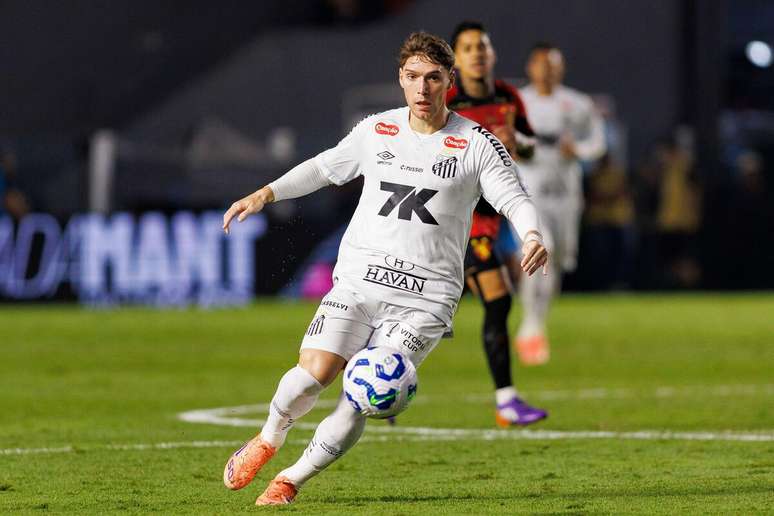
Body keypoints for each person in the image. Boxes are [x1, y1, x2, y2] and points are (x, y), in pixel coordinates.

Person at [220, 32, 548, 506]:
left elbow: (515, 198)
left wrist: (533, 235)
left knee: (366, 389)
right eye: (413, 77)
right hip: (359, 280)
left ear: (449, 81)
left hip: (426, 299)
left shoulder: (476, 144)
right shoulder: (377, 131)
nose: (422, 89)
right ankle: (269, 437)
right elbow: (322, 168)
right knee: (312, 373)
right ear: (401, 79)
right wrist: (264, 193)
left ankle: (290, 479)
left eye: (433, 78)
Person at [446, 21, 546, 427]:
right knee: (494, 299)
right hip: (455, 218)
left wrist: (516, 144)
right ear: (455, 57)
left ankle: (507, 401)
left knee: (489, 302)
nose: (477, 53)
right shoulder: (447, 100)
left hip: (490, 219)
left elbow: (531, 147)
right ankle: (506, 400)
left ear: (492, 53)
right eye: (468, 47)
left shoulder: (508, 96)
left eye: (482, 45)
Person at [516, 42, 606, 364]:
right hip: (529, 192)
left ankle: (538, 322)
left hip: (566, 194)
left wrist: (578, 151)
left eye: (553, 65)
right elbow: (502, 142)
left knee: (557, 263)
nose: (547, 70)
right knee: (541, 250)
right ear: (531, 66)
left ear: (561, 68)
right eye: (541, 64)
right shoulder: (518, 102)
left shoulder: (578, 104)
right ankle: (530, 326)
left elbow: (598, 142)